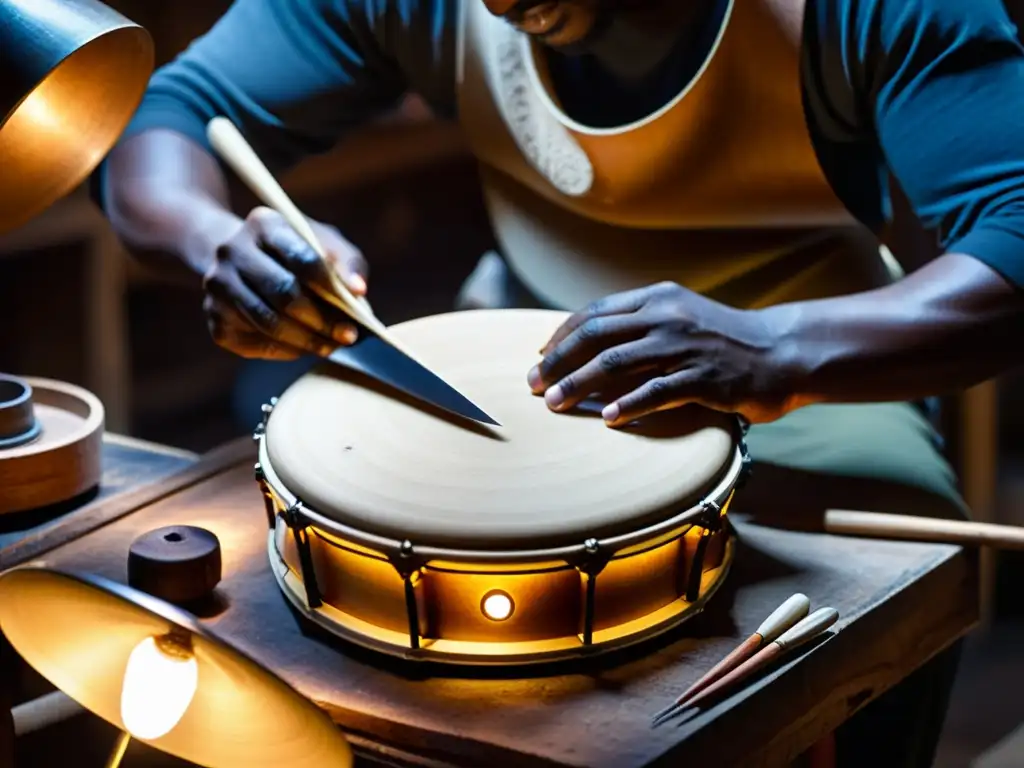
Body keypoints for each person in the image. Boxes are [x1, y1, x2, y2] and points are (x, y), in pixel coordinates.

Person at [93, 0, 1024, 764]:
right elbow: (166, 116)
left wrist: (773, 348)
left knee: (897, 578)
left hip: (806, 345)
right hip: (525, 333)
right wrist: (218, 246)